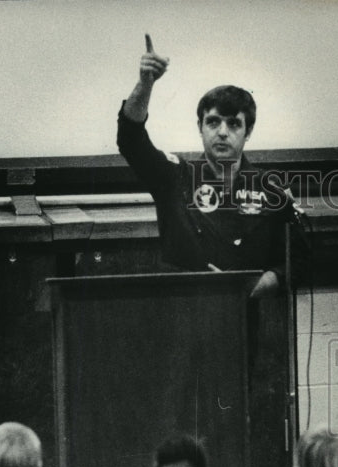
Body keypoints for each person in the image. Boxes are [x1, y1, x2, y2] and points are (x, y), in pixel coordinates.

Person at [117, 38, 295, 294]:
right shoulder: (175, 177)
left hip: (254, 316)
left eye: (233, 124)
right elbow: (131, 140)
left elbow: (299, 256)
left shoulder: (271, 190)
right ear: (199, 127)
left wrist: (265, 283)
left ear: (248, 132)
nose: (222, 132)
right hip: (188, 312)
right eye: (213, 122)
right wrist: (145, 85)